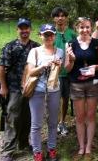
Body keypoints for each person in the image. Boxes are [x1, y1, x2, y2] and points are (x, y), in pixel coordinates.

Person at [0, 18, 39, 161]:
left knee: (28, 117)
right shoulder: (9, 47)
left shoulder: (36, 47)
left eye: (26, 28)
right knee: (12, 117)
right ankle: (8, 150)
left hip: (31, 88)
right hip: (14, 88)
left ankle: (23, 143)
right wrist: (3, 86)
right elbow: (1, 67)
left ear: (30, 29)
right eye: (21, 28)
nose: (24, 31)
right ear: (17, 30)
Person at [64, 17, 98, 160]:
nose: (85, 30)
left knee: (91, 116)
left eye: (87, 27)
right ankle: (81, 147)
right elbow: (67, 69)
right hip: (76, 84)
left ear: (91, 27)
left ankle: (88, 148)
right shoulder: (70, 44)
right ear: (76, 29)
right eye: (81, 27)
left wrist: (95, 67)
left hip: (93, 83)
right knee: (80, 117)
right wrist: (72, 60)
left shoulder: (97, 44)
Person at [26, 24, 64, 161]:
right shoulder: (35, 51)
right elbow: (30, 71)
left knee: (53, 122)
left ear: (55, 36)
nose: (48, 37)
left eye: (51, 34)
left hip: (54, 90)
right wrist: (43, 66)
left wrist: (64, 63)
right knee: (36, 123)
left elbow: (63, 70)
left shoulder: (60, 51)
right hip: (38, 91)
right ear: (40, 35)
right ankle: (37, 153)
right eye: (45, 34)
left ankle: (51, 149)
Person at [51, 7, 77, 136]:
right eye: (57, 16)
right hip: (54, 72)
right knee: (54, 98)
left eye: (63, 16)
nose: (60, 18)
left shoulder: (71, 34)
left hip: (68, 72)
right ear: (54, 18)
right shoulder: (50, 33)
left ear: (66, 18)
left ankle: (62, 122)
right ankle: (53, 124)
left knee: (65, 98)